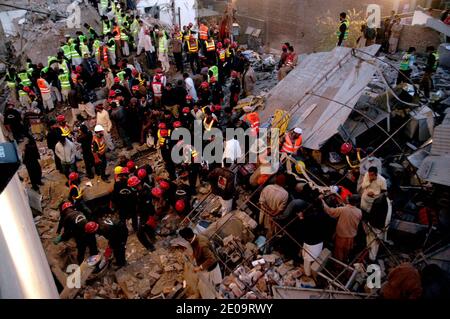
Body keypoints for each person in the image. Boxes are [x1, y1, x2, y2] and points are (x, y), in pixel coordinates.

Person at [178, 227, 222, 299]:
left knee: (209, 291)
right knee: (204, 287)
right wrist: (194, 256)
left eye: (185, 239)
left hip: (211, 268)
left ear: (187, 238)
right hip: (206, 268)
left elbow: (211, 259)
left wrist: (200, 267)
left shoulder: (201, 244)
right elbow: (198, 251)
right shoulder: (196, 238)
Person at [321, 194, 362, 263]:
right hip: (351, 236)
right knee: (346, 251)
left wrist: (322, 202)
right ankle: (345, 261)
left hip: (342, 236)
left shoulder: (342, 209)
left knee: (339, 252)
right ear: (357, 203)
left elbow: (330, 211)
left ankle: (338, 267)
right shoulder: (359, 212)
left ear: (349, 200)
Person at [259, 174, 289, 240]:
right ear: (284, 183)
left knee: (260, 225)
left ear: (275, 180)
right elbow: (280, 209)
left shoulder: (268, 187)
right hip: (273, 217)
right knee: (269, 231)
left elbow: (261, 201)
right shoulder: (285, 194)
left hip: (263, 213)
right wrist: (273, 213)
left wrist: (268, 209)